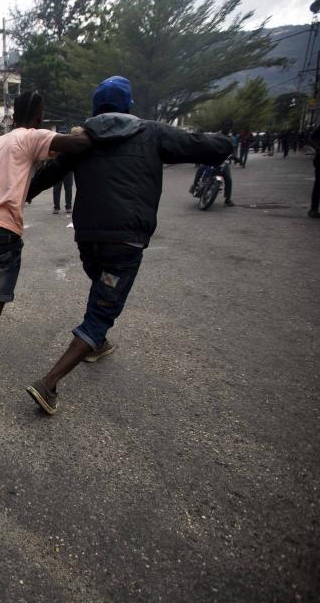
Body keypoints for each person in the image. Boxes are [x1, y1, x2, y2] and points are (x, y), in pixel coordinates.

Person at [23, 76, 232, 414]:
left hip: (88, 239)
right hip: (125, 241)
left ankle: (97, 343)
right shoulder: (151, 132)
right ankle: (49, 383)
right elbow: (201, 145)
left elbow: (48, 174)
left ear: (95, 108)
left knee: (103, 286)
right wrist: (225, 141)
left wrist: (20, 196)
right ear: (128, 105)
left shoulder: (82, 139)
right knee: (102, 308)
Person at [0, 91, 92, 371]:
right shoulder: (33, 136)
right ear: (38, 117)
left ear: (13, 115)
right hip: (3, 230)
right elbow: (80, 142)